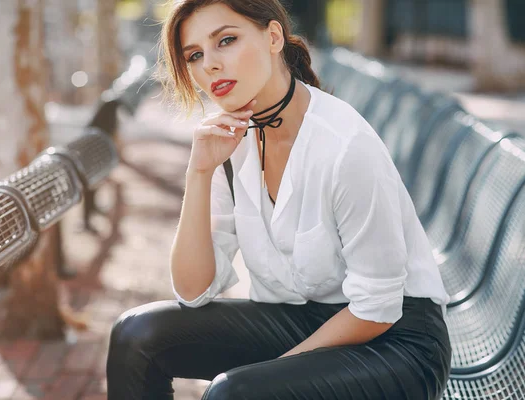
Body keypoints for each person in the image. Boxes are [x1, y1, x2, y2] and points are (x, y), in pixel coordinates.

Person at [106, 1, 452, 399]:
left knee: (234, 393)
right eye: (196, 55)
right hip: (305, 318)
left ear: (273, 37)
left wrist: (275, 370)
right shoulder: (227, 143)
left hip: (394, 343)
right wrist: (199, 172)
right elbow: (193, 289)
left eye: (227, 41)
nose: (211, 65)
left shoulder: (344, 146)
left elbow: (377, 308)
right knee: (137, 336)